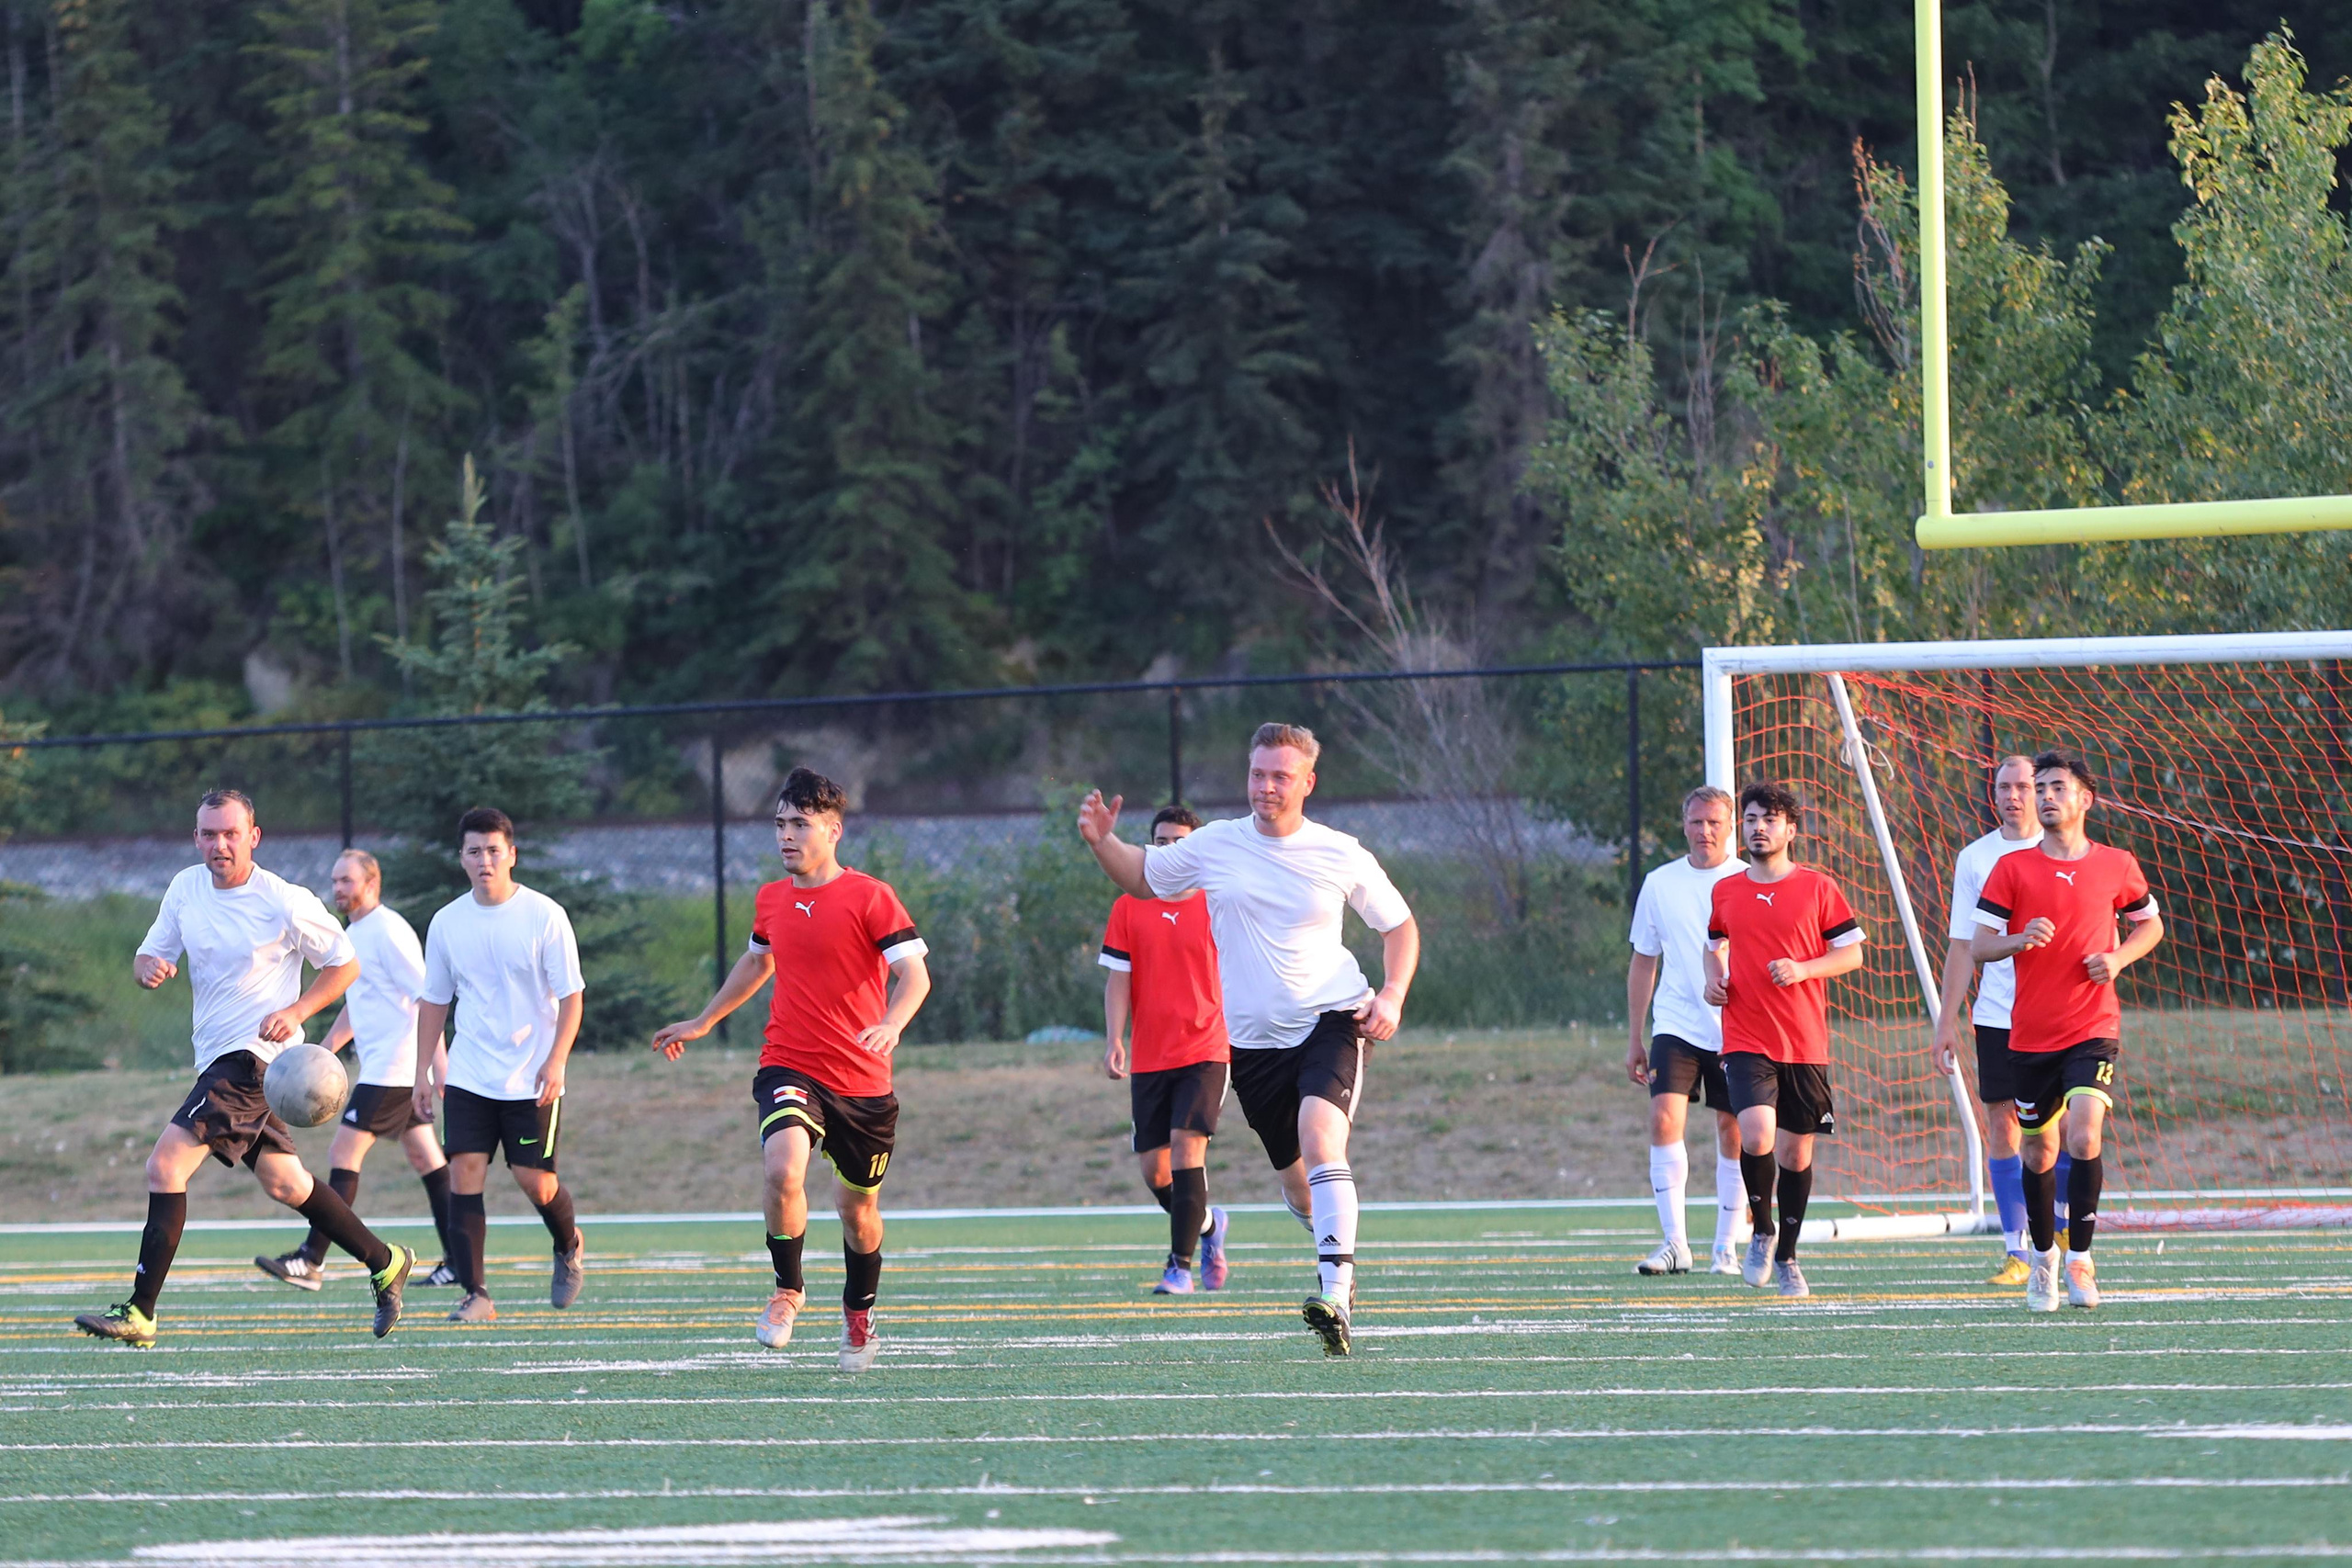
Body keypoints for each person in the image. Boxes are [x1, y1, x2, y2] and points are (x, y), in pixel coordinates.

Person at [1079, 722, 1419, 1358]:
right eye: (1258, 773)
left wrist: (1393, 993)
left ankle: (1336, 1292)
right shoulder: (1215, 845)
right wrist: (1103, 842)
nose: (1266, 786)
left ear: (1307, 782)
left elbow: (1399, 926)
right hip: (1254, 1046)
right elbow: (1142, 875)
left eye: (1280, 775)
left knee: (1323, 1137)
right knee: (1296, 1184)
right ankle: (1335, 1250)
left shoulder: (1339, 851)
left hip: (1332, 1018)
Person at [74, 790, 415, 1348]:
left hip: (254, 1061)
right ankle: (385, 1260)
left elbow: (345, 963)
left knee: (165, 1167)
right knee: (286, 1182)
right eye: (209, 834)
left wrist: (298, 1011)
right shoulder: (186, 888)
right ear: (197, 839)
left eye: (231, 833)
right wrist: (149, 969)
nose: (220, 844)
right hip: (218, 1058)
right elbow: (145, 956)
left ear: (253, 836)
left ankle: (141, 1311)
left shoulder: (283, 899)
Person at [651, 767, 931, 1371]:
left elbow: (915, 975)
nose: (787, 835)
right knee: (783, 1168)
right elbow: (757, 966)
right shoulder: (772, 898)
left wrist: (891, 1023)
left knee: (858, 1210)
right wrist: (701, 1020)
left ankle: (859, 1311)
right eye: (780, 823)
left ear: (832, 830)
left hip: (863, 1082)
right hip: (790, 1062)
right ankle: (787, 1289)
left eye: (800, 824)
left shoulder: (871, 896)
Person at [1971, 750, 2163, 1312]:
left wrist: (2120, 957)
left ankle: (2079, 1259)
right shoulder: (2013, 868)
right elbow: (1981, 946)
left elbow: (2149, 923)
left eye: (2058, 787)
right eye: (2041, 787)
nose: (2046, 795)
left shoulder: (2116, 864)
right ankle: (2042, 1260)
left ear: (2085, 799)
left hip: (2093, 1027)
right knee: (2037, 1150)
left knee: (2084, 1138)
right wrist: (2019, 938)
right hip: (2029, 1034)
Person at [411, 807, 587, 1325]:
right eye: (474, 851)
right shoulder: (446, 922)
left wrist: (556, 1061)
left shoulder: (544, 915)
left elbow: (572, 997)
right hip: (470, 1073)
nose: (484, 860)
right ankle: (477, 1294)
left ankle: (568, 1242)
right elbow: (434, 1003)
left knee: (536, 1182)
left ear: (511, 854)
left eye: (493, 850)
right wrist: (424, 1071)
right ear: (461, 859)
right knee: (464, 1173)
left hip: (532, 1073)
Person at [255, 849, 459, 1292]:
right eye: (334, 881)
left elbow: (427, 997)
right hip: (392, 1069)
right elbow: (361, 997)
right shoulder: (356, 932)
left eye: (347, 881)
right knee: (428, 1159)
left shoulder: (387, 930)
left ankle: (311, 1260)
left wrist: (437, 1067)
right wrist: (328, 1047)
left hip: (394, 1071)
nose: (338, 889)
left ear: (372, 883)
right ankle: (460, 1260)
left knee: (342, 1156)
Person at [1703, 781, 1866, 1301]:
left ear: (1790, 830)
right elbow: (1715, 944)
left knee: (1796, 1156)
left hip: (1804, 1042)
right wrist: (1715, 976)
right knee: (1756, 1135)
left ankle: (1789, 1256)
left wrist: (1804, 969)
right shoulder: (1726, 889)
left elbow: (1851, 955)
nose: (1758, 827)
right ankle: (1762, 1231)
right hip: (1746, 1035)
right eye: (1751, 818)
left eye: (1769, 819)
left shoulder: (1817, 888)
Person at [1100, 805, 1232, 1294]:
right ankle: (1209, 1227)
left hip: (1208, 1047)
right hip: (1152, 1054)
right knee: (1154, 1170)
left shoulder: (1218, 902)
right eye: (1161, 841)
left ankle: (1179, 1266)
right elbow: (1118, 979)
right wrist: (1115, 1038)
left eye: (1180, 842)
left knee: (1185, 1150)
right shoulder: (1129, 905)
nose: (1169, 850)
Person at [1928, 756, 2048, 1286]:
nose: (2014, 795)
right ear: (1993, 793)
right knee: (2002, 1125)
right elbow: (1960, 944)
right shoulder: (1975, 857)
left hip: (2059, 1013)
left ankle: (2062, 1231)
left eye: (2024, 785)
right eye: (2005, 786)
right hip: (1998, 1016)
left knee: (2057, 1128)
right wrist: (1946, 1020)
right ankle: (2016, 1249)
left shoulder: (2064, 849)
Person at [1625, 784, 1750, 1277]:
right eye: (1697, 822)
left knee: (1733, 1129)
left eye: (1715, 822)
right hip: (1675, 1024)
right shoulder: (1660, 883)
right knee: (1662, 1121)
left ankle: (1726, 1246)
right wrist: (1636, 1035)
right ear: (1684, 825)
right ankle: (1675, 1244)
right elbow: (1642, 961)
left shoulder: (1746, 879)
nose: (1705, 831)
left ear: (1730, 826)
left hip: (1737, 1025)